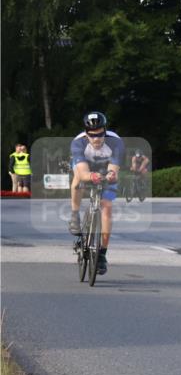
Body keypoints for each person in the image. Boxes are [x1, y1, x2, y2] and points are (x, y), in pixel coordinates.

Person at [69, 112, 124, 275]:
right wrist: (91, 176)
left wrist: (111, 175)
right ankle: (74, 215)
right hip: (86, 167)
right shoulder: (78, 143)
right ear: (86, 134)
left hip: (105, 167)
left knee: (106, 207)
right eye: (92, 135)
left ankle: (101, 254)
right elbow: (84, 172)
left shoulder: (116, 142)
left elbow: (114, 171)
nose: (96, 139)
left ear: (105, 131)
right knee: (78, 180)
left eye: (100, 134)